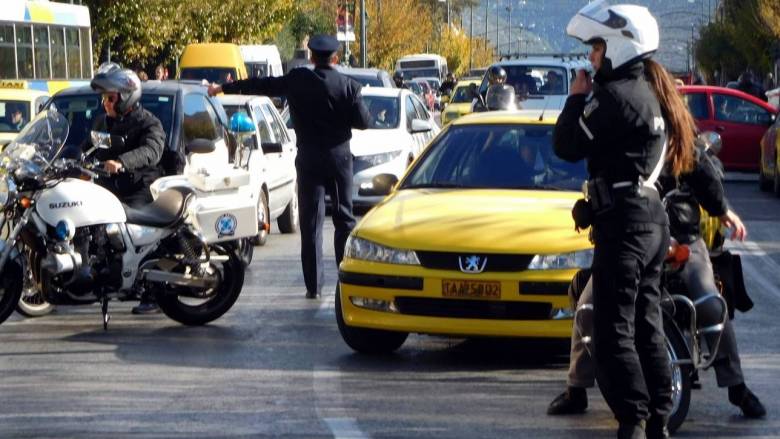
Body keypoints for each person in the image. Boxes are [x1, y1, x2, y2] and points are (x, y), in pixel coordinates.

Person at [548, 141, 766, 422]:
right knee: (588, 307)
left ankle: (737, 386)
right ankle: (576, 387)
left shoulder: (677, 137)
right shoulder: (615, 131)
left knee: (710, 303)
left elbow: (701, 169)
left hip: (682, 238)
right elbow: (584, 160)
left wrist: (722, 209)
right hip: (628, 238)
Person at [553, 2, 677, 438]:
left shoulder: (615, 98)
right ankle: (658, 418)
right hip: (650, 221)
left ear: (619, 46)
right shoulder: (651, 95)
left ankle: (634, 420)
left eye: (597, 48)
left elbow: (566, 145)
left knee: (611, 331)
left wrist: (575, 98)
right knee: (646, 325)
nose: (591, 57)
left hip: (625, 225)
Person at [208, 35, 371, 299]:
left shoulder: (297, 79)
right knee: (344, 220)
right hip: (339, 160)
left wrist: (223, 88)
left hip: (309, 159)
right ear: (336, 58)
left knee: (311, 223)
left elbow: (262, 85)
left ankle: (314, 287)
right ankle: (345, 281)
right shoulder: (349, 86)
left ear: (311, 57)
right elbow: (364, 121)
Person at [89, 62, 166, 314]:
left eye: (110, 98)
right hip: (107, 188)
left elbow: (152, 150)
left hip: (138, 187)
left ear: (126, 98)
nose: (105, 104)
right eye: (104, 99)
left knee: (136, 235)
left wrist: (122, 162)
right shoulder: (103, 123)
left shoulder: (148, 123)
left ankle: (152, 291)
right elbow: (86, 147)